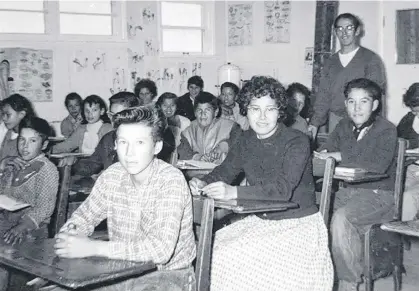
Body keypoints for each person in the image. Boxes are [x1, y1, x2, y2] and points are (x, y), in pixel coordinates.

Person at [189, 76, 333, 290]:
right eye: (255, 109)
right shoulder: (245, 139)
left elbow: (282, 190)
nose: (263, 117)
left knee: (227, 255)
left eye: (270, 109)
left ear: (280, 111)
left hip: (298, 225)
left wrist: (232, 192)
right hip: (262, 219)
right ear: (246, 110)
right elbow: (226, 170)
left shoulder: (297, 140)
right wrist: (202, 182)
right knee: (208, 251)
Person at [52, 106, 196, 291]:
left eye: (140, 143)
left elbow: (161, 251)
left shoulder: (170, 180)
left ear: (157, 146)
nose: (129, 153)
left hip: (169, 276)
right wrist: (71, 234)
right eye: (123, 142)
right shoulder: (112, 175)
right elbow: (84, 216)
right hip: (120, 269)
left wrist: (93, 248)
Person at [315, 78, 396, 291]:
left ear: (375, 105)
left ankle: (348, 284)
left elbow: (377, 165)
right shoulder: (342, 126)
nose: (357, 108)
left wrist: (338, 155)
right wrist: (322, 154)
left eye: (364, 101)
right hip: (347, 193)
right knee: (311, 216)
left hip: (379, 196)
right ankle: (316, 278)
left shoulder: (387, 130)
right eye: (351, 102)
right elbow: (326, 149)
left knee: (341, 219)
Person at [0, 117, 59, 291]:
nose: (25, 146)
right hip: (6, 221)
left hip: (31, 229)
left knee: (5, 257)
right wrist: (2, 168)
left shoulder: (47, 169)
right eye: (22, 140)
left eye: (32, 141)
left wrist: (23, 226)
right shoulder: (14, 164)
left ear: (44, 145)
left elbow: (45, 207)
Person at [308, 13, 386, 139]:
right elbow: (323, 95)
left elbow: (376, 95)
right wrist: (314, 123)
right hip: (336, 120)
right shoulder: (330, 62)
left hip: (364, 119)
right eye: (340, 28)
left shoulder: (371, 59)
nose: (344, 32)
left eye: (349, 28)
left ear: (357, 31)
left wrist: (373, 126)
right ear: (335, 32)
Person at [177, 92, 237, 165]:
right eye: (199, 110)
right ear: (195, 112)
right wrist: (198, 157)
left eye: (207, 110)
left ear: (216, 112)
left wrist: (223, 147)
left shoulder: (231, 126)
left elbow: (240, 144)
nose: (203, 114)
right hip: (197, 174)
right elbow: (182, 152)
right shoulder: (188, 132)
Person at [397, 83, 419, 221]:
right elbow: (396, 143)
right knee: (393, 195)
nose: (417, 115)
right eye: (415, 111)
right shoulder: (407, 120)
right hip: (410, 170)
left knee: (408, 198)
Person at [0, 94, 36, 161]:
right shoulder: (8, 132)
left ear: (21, 114)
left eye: (8, 115)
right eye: (2, 114)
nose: (4, 118)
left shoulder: (30, 136)